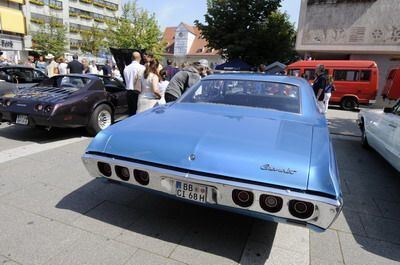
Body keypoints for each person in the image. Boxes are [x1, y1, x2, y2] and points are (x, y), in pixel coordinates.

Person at [123, 51, 145, 116]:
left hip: (129, 92)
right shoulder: (142, 68)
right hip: (138, 92)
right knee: (138, 113)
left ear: (131, 58)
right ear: (140, 58)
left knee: (131, 113)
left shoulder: (126, 68)